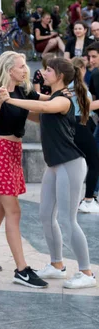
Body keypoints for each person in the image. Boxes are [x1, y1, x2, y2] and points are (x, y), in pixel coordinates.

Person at [3, 57, 96, 289]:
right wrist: (12, 102)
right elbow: (38, 113)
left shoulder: (64, 99)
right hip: (54, 165)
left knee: (67, 219)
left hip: (70, 164)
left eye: (48, 70)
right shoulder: (53, 97)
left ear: (60, 76)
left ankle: (86, 272)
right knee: (46, 216)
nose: (43, 72)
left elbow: (43, 107)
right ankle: (57, 265)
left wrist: (12, 99)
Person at [0, 51, 48, 288]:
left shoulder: (24, 90)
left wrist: (67, 96)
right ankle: (22, 270)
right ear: (9, 69)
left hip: (15, 152)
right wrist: (0, 101)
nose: (25, 70)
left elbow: (43, 101)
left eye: (24, 66)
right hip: (1, 152)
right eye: (21, 66)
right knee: (13, 211)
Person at [70, 57, 99, 213]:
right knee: (94, 163)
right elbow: (86, 108)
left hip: (71, 127)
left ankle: (77, 199)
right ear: (81, 69)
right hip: (80, 125)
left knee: (76, 165)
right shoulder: (79, 87)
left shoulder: (68, 87)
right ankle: (88, 199)